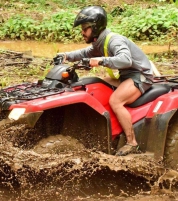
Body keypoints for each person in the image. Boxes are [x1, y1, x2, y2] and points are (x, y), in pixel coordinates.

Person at [58, 5, 154, 156]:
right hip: (126, 77)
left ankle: (132, 143)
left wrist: (100, 61)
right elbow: (85, 53)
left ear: (95, 27)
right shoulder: (99, 42)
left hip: (140, 76)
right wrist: (66, 56)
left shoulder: (114, 41)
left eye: (85, 28)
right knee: (97, 85)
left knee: (116, 101)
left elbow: (125, 59)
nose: (82, 32)